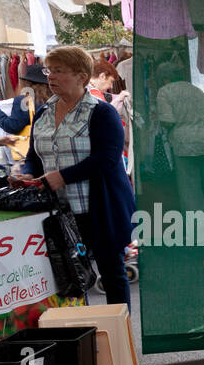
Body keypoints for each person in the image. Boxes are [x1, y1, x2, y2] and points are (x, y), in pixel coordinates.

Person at [13, 46, 135, 309]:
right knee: (69, 277)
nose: (51, 77)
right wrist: (26, 173)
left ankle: (118, 335)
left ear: (81, 76)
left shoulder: (101, 112)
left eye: (59, 71)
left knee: (111, 272)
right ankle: (83, 335)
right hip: (59, 212)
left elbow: (108, 158)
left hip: (98, 208)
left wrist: (62, 177)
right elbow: (34, 156)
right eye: (49, 71)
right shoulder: (44, 112)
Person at [155, 60, 204, 215]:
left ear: (164, 78)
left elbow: (168, 120)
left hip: (185, 145)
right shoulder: (196, 90)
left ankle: (199, 234)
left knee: (190, 191)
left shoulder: (164, 91)